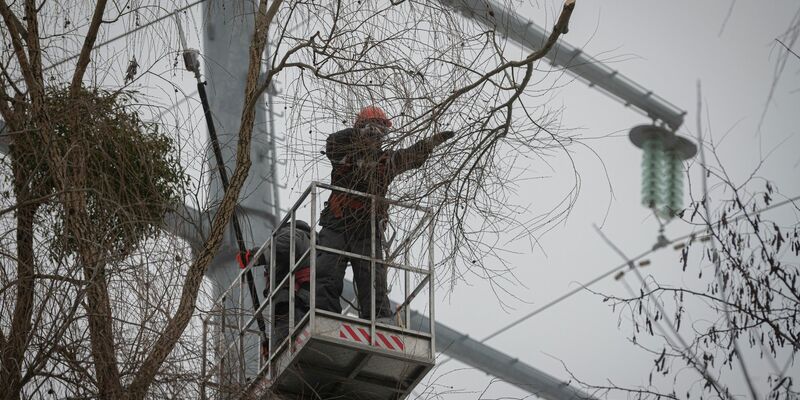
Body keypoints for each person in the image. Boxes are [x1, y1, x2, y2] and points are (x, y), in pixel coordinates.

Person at [315, 106, 455, 323]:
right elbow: (332, 143)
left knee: (373, 281)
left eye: (382, 131)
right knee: (326, 272)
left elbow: (410, 157)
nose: (377, 136)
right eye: (372, 129)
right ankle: (324, 317)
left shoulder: (386, 161)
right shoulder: (344, 152)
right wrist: (357, 134)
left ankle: (379, 322)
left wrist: (428, 144)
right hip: (337, 222)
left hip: (367, 228)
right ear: (360, 128)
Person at [237, 221, 312, 352]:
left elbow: (285, 246)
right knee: (284, 344)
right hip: (302, 301)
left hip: (295, 302)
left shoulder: (292, 232)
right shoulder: (311, 244)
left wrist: (255, 257)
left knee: (284, 350)